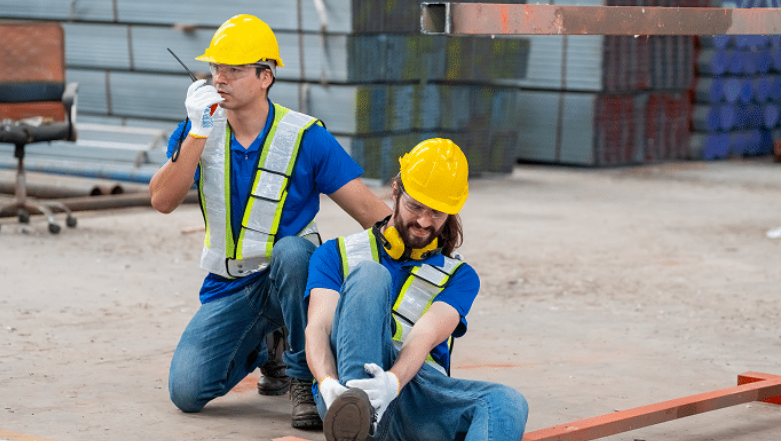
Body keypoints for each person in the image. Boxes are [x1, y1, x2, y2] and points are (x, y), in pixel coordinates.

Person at [148, 14, 391, 429]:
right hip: (232, 287)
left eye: (234, 70)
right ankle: (268, 346)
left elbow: (372, 214)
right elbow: (162, 200)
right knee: (186, 392)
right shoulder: (199, 129)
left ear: (266, 76)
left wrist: (427, 247)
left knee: (295, 252)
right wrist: (196, 133)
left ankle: (300, 375)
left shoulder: (305, 136)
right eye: (215, 68)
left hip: (293, 278)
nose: (219, 79)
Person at [304, 138, 529, 441]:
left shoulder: (460, 276)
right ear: (395, 190)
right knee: (371, 275)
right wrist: (328, 383)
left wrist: (393, 383)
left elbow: (424, 337)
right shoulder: (335, 254)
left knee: (507, 402)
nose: (424, 221)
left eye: (437, 212)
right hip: (347, 392)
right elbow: (318, 328)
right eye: (415, 206)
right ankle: (359, 423)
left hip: (413, 391)